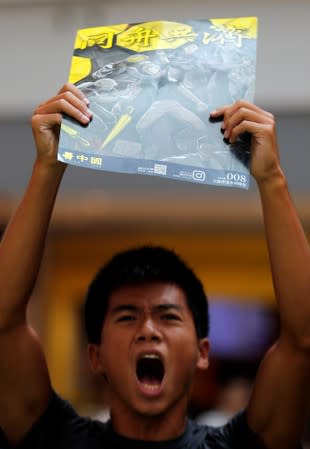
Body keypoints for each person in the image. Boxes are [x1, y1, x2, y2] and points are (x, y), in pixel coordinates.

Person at [0, 82, 309, 449]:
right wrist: (46, 168)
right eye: (127, 317)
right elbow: (4, 321)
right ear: (95, 356)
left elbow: (302, 337)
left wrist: (271, 178)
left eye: (168, 316)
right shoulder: (56, 440)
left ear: (201, 353)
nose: (148, 330)